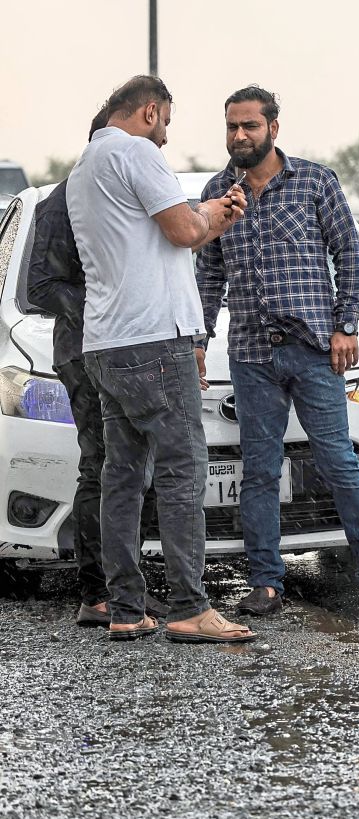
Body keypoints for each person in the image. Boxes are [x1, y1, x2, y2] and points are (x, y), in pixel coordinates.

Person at [195, 85, 359, 613]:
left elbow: (347, 254)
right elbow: (209, 274)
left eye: (250, 126)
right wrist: (199, 340)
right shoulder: (219, 193)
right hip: (251, 353)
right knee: (259, 469)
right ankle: (266, 583)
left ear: (273, 129)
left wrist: (346, 324)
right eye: (232, 127)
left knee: (337, 459)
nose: (240, 136)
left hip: (314, 349)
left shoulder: (314, 181)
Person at [67, 75, 254, 643]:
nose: (168, 137)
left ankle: (124, 606)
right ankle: (190, 607)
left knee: (121, 475)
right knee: (181, 469)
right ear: (150, 112)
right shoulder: (137, 152)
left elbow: (152, 235)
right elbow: (180, 232)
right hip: (155, 338)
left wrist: (204, 214)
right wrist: (212, 220)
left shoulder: (83, 169)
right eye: (167, 122)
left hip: (106, 342)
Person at [25, 106, 171, 627]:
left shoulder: (122, 198)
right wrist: (105, 302)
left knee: (132, 467)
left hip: (132, 344)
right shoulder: (61, 200)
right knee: (104, 467)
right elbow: (38, 285)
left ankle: (123, 586)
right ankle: (100, 593)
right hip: (86, 348)